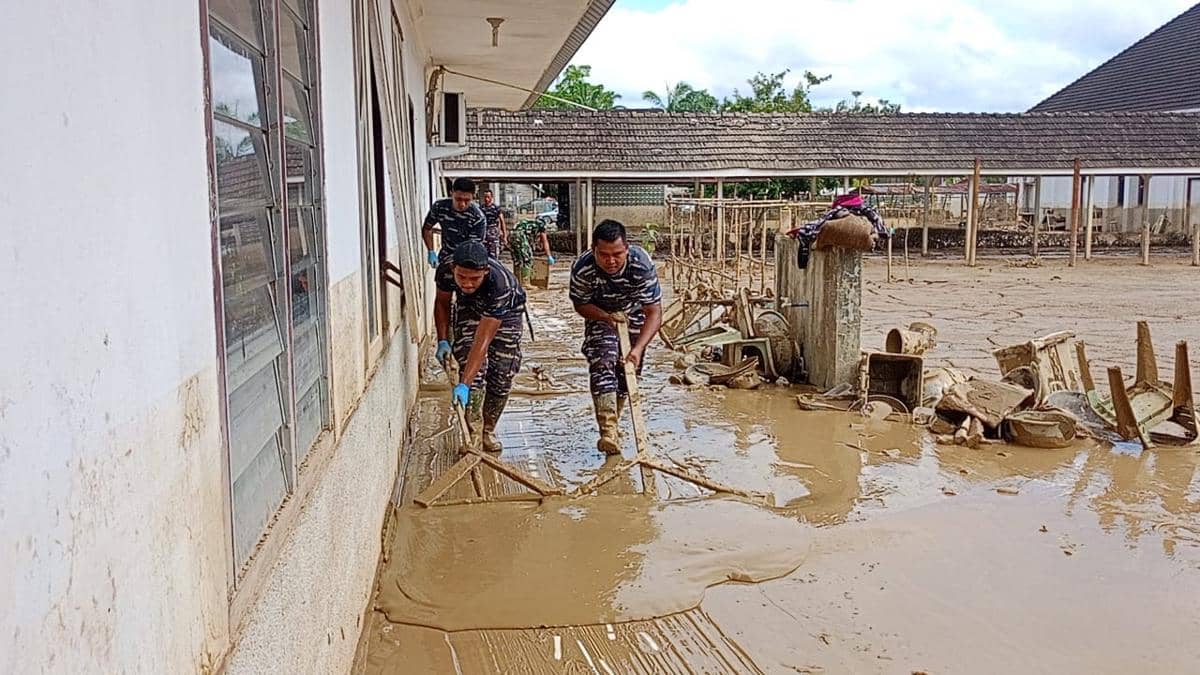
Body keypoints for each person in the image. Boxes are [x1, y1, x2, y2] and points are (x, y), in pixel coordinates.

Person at [569, 220, 663, 454]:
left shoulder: (641, 264)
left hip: (634, 314)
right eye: (604, 255)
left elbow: (653, 312)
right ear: (594, 251)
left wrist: (638, 349)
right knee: (602, 361)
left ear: (627, 249)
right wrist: (605, 317)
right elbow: (580, 304)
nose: (611, 261)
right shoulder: (583, 267)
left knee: (627, 371)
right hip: (600, 314)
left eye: (617, 254)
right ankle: (608, 430)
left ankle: (616, 419)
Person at [434, 240, 526, 452]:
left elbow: (482, 341)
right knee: (470, 365)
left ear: (485, 271)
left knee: (502, 372)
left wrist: (463, 384)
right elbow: (442, 302)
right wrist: (443, 340)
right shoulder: (446, 271)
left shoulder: (500, 283)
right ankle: (472, 437)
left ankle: (488, 431)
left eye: (474, 278)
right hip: (469, 308)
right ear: (453, 269)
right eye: (462, 277)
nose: (466, 283)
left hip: (507, 312)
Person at [423, 177, 487, 268]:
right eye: (458, 199)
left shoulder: (478, 218)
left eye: (467, 200)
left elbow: (473, 247)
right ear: (451, 193)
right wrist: (431, 251)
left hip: (467, 261)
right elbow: (427, 228)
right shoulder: (440, 207)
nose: (462, 204)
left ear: (473, 197)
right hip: (445, 257)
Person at [507, 216, 555, 287]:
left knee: (518, 260)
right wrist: (549, 255)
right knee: (527, 259)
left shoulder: (530, 223)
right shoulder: (541, 225)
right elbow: (545, 241)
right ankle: (526, 283)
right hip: (520, 236)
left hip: (511, 235)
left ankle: (517, 281)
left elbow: (531, 243)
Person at [479, 189, 507, 259]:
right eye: (485, 197)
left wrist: (504, 236)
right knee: (483, 254)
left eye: (488, 197)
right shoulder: (481, 209)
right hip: (484, 232)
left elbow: (502, 221)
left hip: (493, 232)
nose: (486, 199)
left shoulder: (496, 208)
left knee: (494, 255)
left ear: (492, 197)